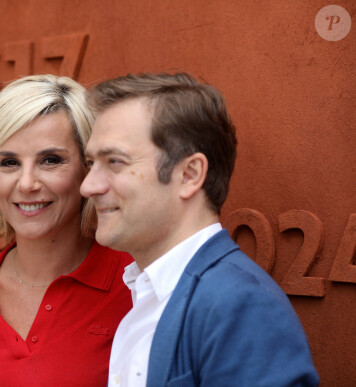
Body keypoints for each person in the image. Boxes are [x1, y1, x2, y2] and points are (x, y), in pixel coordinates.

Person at [80, 72, 320, 386]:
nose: (88, 186)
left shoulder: (241, 307)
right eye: (90, 163)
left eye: (114, 161)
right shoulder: (150, 293)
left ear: (190, 174)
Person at [0, 74, 133, 386]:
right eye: (9, 163)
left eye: (50, 160)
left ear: (88, 168)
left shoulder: (135, 286)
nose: (26, 184)